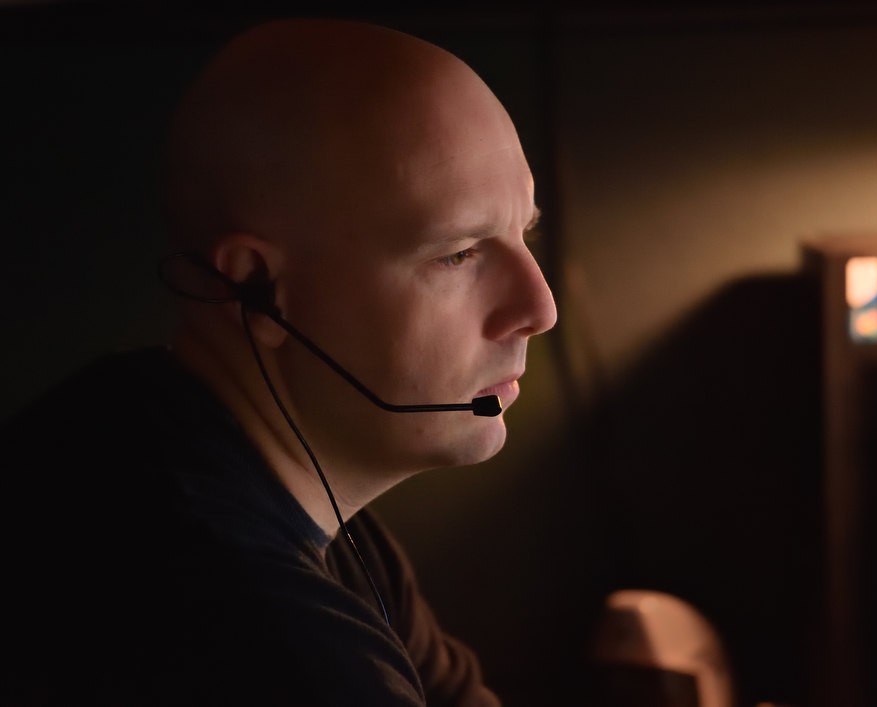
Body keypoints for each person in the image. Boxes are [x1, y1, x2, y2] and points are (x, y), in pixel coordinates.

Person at [1, 17, 557, 706]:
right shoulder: (250, 629)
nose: (539, 307)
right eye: (459, 253)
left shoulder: (171, 439)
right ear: (259, 293)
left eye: (524, 232)